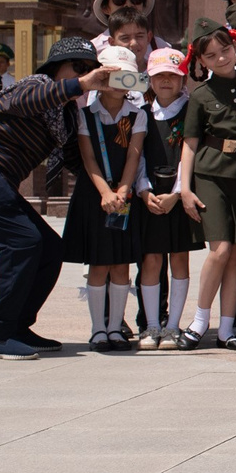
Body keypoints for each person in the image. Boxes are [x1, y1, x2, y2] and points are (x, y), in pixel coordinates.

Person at [0, 36, 117, 359]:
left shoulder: (67, 116)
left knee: (49, 247)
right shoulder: (34, 85)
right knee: (23, 241)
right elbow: (38, 99)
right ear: (57, 68)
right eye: (78, 67)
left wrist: (123, 185)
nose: (85, 75)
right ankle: (1, 334)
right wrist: (80, 84)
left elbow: (81, 163)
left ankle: (17, 325)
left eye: (91, 69)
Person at [178, 19, 236, 349]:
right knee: (221, 249)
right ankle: (199, 322)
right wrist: (185, 188)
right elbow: (190, 143)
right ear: (201, 62)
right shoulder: (200, 95)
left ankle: (227, 330)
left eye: (225, 50)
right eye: (211, 56)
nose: (221, 58)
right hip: (209, 174)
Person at [67, 45, 146, 352]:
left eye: (125, 76)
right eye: (112, 75)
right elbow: (88, 158)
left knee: (122, 264)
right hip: (95, 193)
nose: (119, 82)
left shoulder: (136, 115)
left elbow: (133, 158)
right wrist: (104, 192)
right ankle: (98, 329)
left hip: (123, 195)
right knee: (99, 263)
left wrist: (123, 191)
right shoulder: (86, 114)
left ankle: (116, 328)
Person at [131, 46, 201, 349]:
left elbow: (190, 154)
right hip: (149, 197)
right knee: (151, 258)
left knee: (179, 257)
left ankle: (173, 326)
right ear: (149, 79)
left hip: (178, 195)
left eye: (172, 76)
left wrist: (176, 193)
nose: (166, 82)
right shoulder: (141, 114)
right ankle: (151, 325)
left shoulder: (190, 111)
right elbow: (137, 156)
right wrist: (144, 191)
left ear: (182, 79)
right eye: (159, 76)